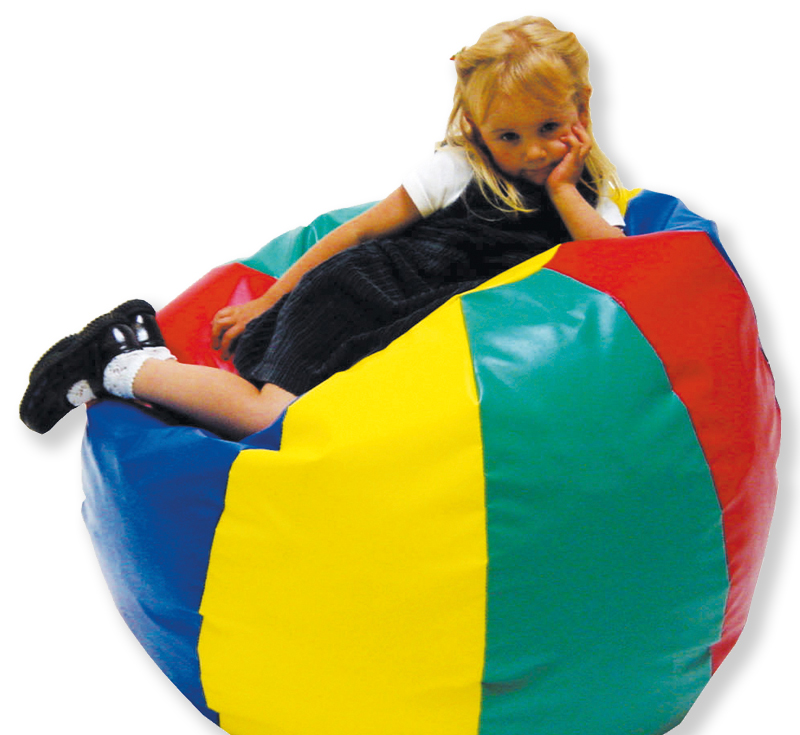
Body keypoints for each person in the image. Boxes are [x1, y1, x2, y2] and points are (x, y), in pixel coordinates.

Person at [20, 16, 626, 441]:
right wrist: (268, 301)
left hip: (416, 335)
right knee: (273, 422)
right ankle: (123, 359)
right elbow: (358, 235)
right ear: (474, 126)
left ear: (583, 105)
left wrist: (563, 192)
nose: (533, 151)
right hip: (359, 300)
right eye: (508, 135)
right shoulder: (459, 168)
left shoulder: (586, 190)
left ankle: (142, 374)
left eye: (550, 128)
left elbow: (618, 265)